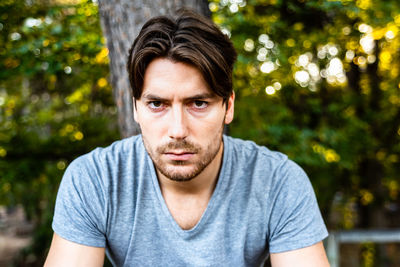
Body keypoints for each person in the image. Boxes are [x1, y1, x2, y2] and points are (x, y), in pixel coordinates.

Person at [44, 9, 330, 267]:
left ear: (228, 107)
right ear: (135, 108)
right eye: (157, 104)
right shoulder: (95, 179)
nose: (177, 130)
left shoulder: (278, 182)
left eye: (198, 104)